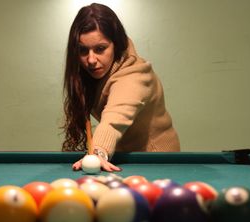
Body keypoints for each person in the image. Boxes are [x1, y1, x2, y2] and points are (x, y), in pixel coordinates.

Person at [62, 3, 180, 172]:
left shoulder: (135, 76)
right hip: (124, 157)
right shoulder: (94, 72)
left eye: (100, 49)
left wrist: (98, 153)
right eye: (83, 50)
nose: (91, 60)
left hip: (156, 159)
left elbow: (115, 116)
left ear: (116, 44)